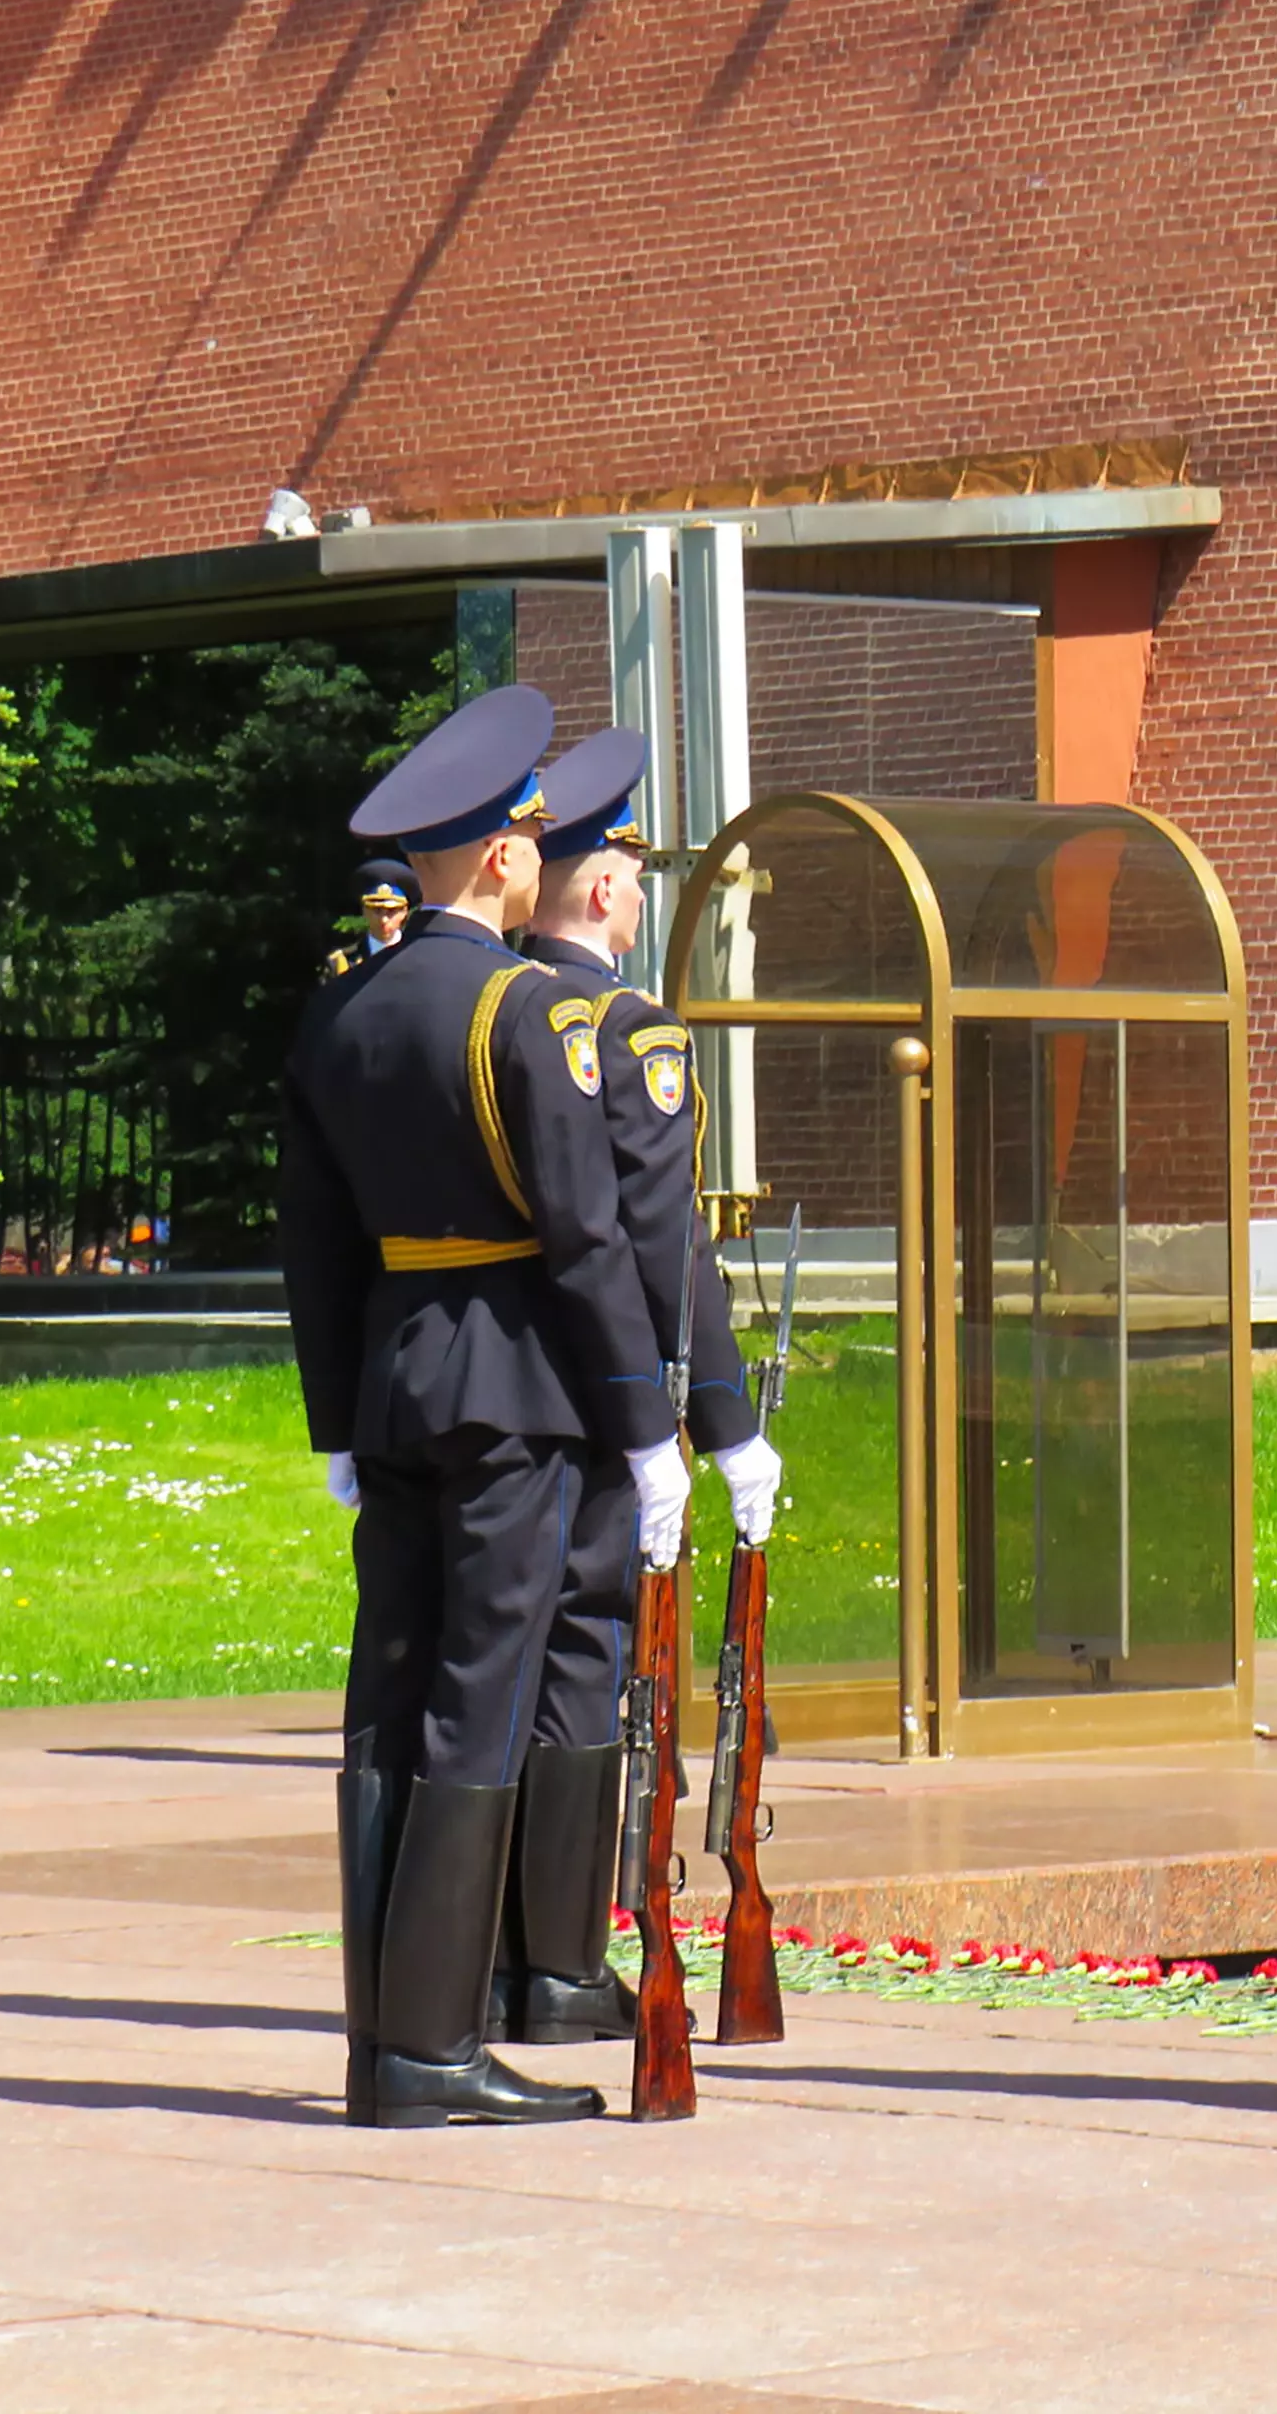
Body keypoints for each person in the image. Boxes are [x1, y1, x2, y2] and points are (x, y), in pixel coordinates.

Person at [278, 685, 689, 2129]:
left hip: (394, 1385)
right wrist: (647, 1430)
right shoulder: (523, 1011)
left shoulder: (343, 1013)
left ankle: (382, 2038)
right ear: (508, 859)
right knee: (482, 1697)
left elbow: (315, 1241)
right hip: (517, 1392)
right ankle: (431, 2051)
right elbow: (583, 1239)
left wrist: (335, 1419)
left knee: (386, 1700)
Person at [504, 725, 783, 2042]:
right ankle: (561, 1964)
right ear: (608, 890)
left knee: (493, 1672)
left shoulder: (491, 1012)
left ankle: (501, 1954)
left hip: (502, 1399)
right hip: (607, 1409)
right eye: (628, 869)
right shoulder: (627, 1031)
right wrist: (723, 1431)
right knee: (589, 1664)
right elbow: (663, 1247)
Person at [322, 858, 418, 977]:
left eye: (391, 911)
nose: (384, 919)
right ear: (364, 910)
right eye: (377, 911)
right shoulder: (342, 963)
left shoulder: (419, 957)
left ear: (404, 912)